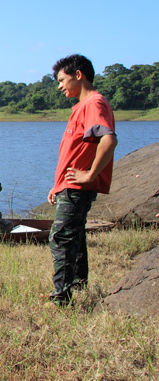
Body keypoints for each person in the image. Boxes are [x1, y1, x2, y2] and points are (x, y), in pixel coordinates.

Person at [46, 54, 117, 306]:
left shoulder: (93, 104)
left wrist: (89, 174)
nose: (59, 86)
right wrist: (57, 186)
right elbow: (74, 152)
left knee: (61, 237)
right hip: (69, 186)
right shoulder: (81, 107)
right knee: (74, 235)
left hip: (78, 186)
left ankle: (60, 299)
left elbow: (108, 140)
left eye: (62, 80)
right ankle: (77, 284)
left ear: (79, 75)